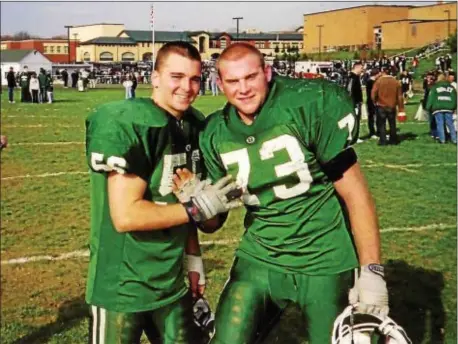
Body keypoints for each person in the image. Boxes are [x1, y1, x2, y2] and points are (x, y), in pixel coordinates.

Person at [195, 43, 388, 344]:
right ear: (220, 84)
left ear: (267, 72)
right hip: (260, 257)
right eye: (233, 81)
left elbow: (356, 195)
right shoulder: (214, 133)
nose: (243, 89)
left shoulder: (306, 104)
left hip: (324, 258)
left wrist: (372, 270)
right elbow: (213, 224)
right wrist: (197, 206)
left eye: (251, 77)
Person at [85, 41, 240, 344]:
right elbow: (126, 215)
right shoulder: (131, 122)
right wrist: (196, 208)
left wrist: (194, 259)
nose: (187, 87)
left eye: (195, 78)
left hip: (171, 283)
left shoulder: (194, 126)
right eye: (176, 77)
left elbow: (186, 205)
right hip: (122, 285)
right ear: (155, 78)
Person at [371, 67, 404, 146]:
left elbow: (373, 93)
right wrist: (400, 108)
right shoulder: (396, 82)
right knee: (392, 123)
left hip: (381, 105)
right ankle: (393, 140)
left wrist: (375, 101)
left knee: (382, 124)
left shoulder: (379, 81)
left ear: (383, 72)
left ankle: (383, 141)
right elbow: (400, 96)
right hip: (392, 105)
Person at [426, 73, 457, 144]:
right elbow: (454, 98)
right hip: (449, 107)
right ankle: (455, 139)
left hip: (438, 107)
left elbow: (431, 98)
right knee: (450, 124)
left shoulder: (435, 87)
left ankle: (442, 139)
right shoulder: (451, 87)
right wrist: (454, 107)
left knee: (440, 123)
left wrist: (428, 107)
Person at [346, 62, 363, 143]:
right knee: (355, 119)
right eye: (361, 68)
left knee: (356, 119)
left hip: (356, 102)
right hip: (354, 103)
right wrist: (353, 102)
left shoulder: (355, 77)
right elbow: (349, 90)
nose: (362, 70)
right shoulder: (352, 77)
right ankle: (354, 137)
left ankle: (354, 136)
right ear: (357, 67)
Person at [365, 68, 380, 139]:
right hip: (371, 102)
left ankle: (378, 131)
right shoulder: (370, 82)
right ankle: (372, 132)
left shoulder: (374, 81)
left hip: (374, 101)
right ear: (376, 74)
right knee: (371, 117)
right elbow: (372, 93)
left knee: (377, 117)